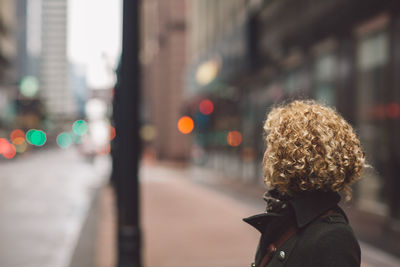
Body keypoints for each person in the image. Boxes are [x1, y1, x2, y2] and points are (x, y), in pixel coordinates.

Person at [244, 100, 365, 267]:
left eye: (272, 146)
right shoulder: (285, 215)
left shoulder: (334, 237)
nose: (266, 154)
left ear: (291, 157)